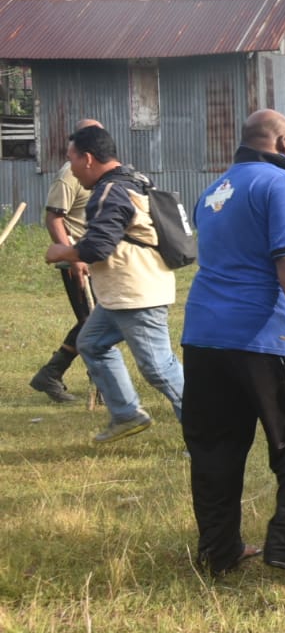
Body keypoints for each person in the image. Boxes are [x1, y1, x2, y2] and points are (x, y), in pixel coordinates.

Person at [181, 110, 285, 578]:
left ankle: (220, 550)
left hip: (205, 336)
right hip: (266, 334)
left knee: (215, 446)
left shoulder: (214, 192)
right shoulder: (283, 182)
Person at [44, 125, 184, 444]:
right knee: (91, 343)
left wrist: (61, 251)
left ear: (88, 159)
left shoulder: (111, 191)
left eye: (72, 160)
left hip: (136, 292)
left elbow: (97, 247)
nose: (71, 169)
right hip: (123, 292)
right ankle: (126, 413)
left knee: (158, 368)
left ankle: (208, 433)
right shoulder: (133, 180)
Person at [30, 117, 103, 403]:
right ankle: (97, 384)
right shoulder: (69, 175)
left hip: (96, 258)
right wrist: (73, 258)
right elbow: (54, 218)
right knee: (93, 321)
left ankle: (51, 374)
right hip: (77, 261)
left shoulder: (96, 171)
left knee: (95, 320)